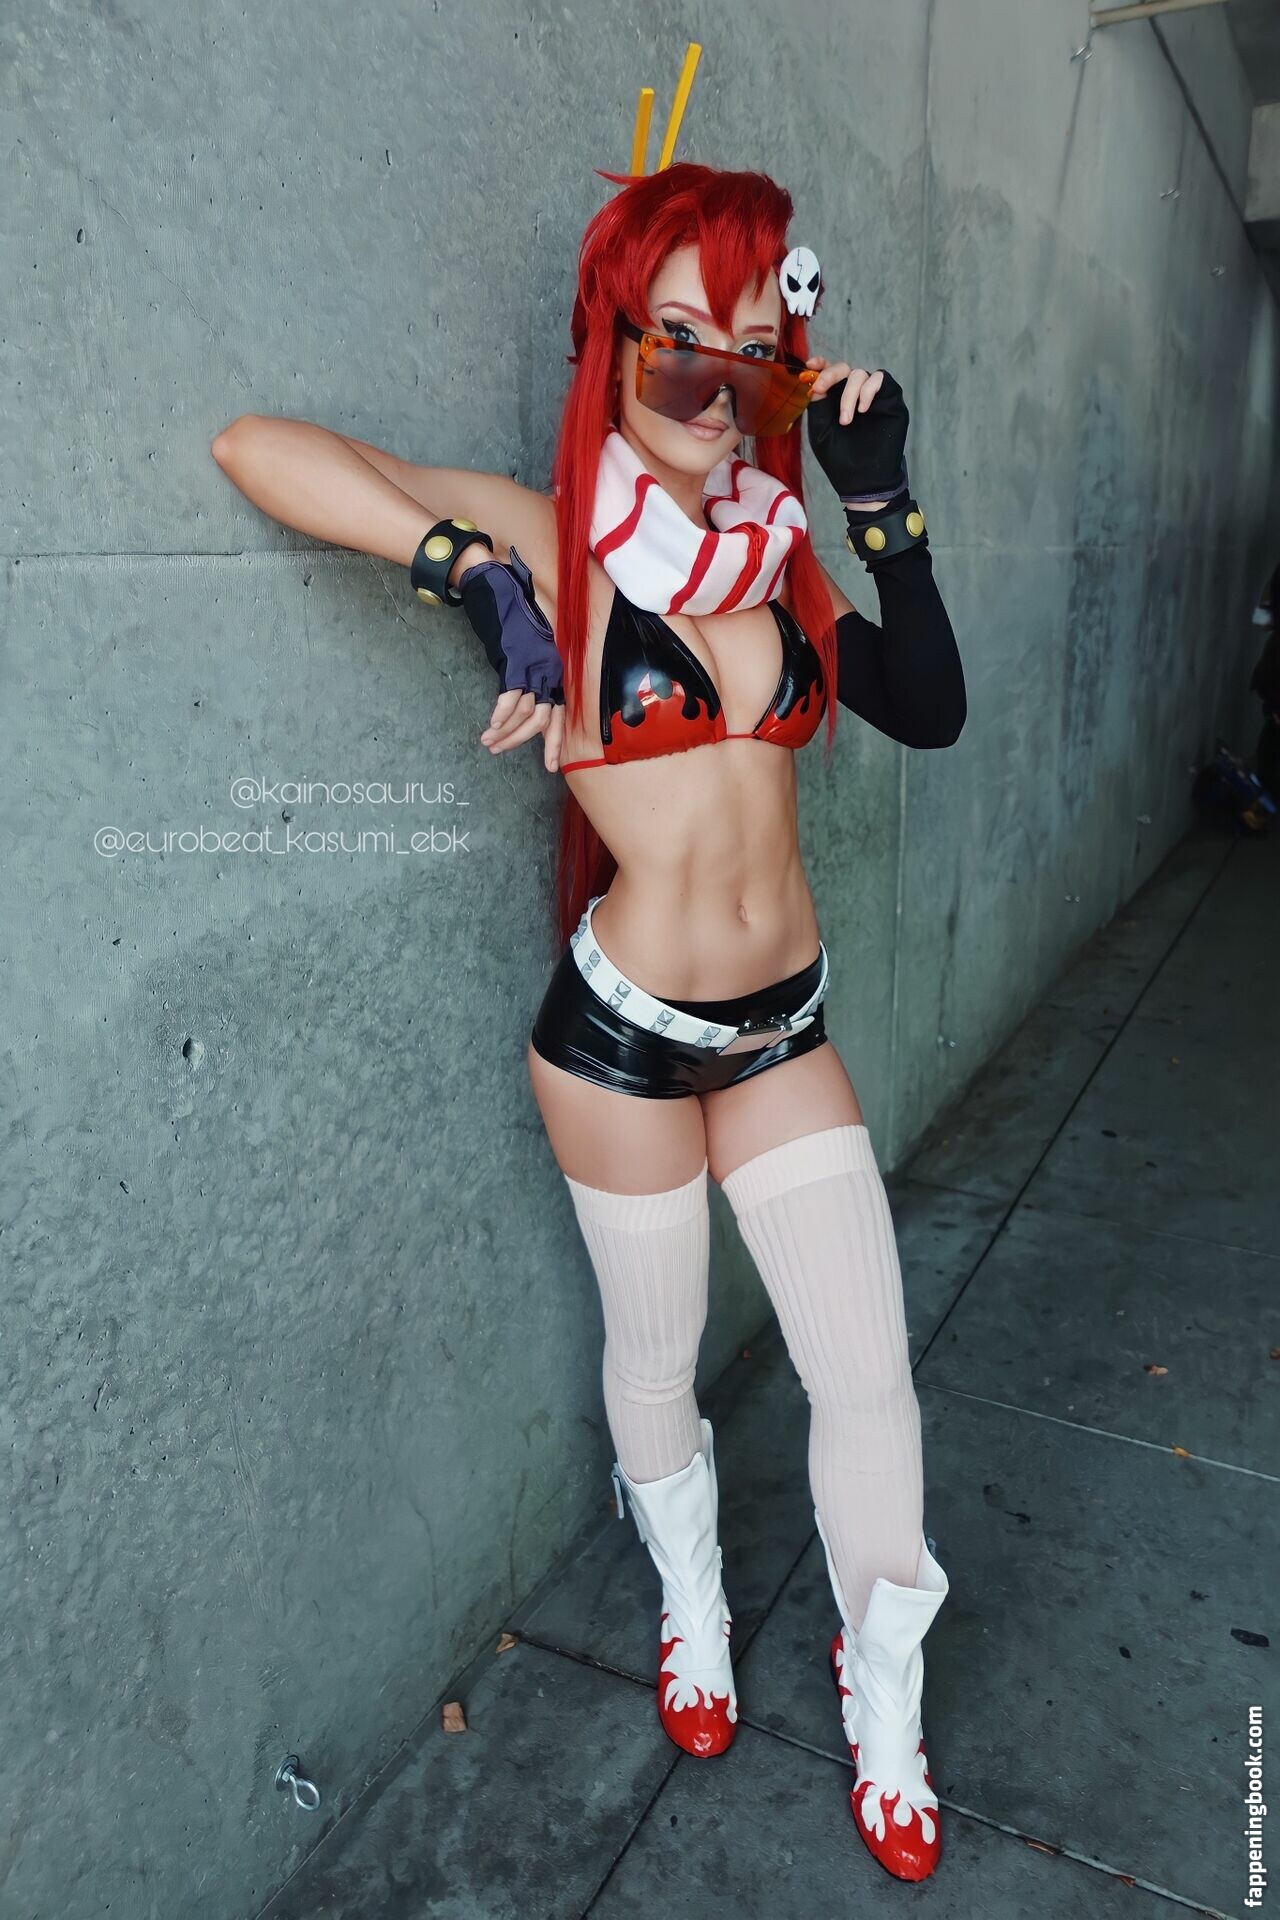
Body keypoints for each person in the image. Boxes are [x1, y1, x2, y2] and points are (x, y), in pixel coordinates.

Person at [209, 64, 966, 1885]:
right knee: (656, 1357)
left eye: (753, 360)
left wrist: (882, 505)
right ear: (615, 348)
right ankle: (693, 1607)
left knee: (869, 1376)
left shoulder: (780, 561)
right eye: (676, 350)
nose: (715, 393)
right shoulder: (565, 533)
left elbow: (929, 706)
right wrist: (474, 578)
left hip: (783, 1030)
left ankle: (887, 1708)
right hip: (621, 1038)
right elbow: (257, 447)